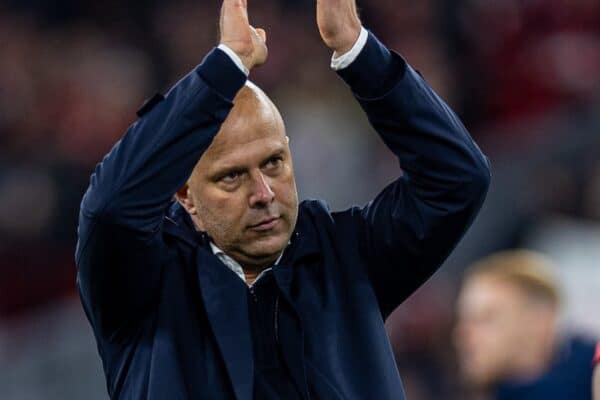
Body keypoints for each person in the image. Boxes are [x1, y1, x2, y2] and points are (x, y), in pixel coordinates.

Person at [76, 0, 490, 398]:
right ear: (186, 197)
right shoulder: (143, 287)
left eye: (274, 163)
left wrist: (357, 50)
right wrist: (224, 68)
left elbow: (456, 178)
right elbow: (111, 208)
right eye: (232, 176)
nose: (263, 193)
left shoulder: (345, 257)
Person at [454, 250, 600, 400]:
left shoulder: (590, 370)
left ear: (540, 320)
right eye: (463, 319)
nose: (463, 333)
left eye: (486, 318)